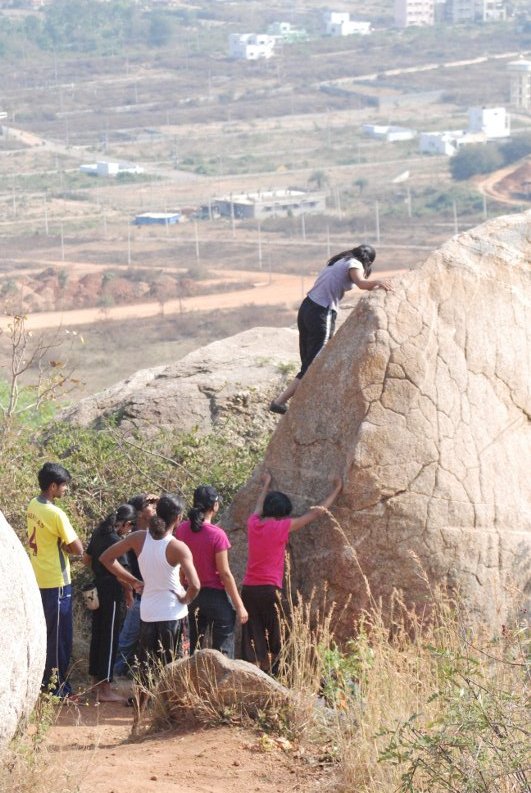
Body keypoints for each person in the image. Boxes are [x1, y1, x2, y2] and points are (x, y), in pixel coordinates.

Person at [270, 244, 393, 414]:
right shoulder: (355, 264)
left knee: (308, 359)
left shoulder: (340, 260)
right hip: (321, 312)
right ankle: (280, 401)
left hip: (307, 307)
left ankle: (301, 397)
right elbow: (362, 283)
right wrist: (378, 282)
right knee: (314, 363)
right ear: (368, 261)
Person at [241, 470, 342, 673]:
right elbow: (316, 513)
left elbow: (258, 507)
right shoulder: (282, 527)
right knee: (276, 634)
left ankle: (258, 672)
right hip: (270, 589)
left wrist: (266, 485)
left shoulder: (253, 525)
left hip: (249, 589)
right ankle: (276, 674)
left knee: (255, 634)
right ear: (283, 512)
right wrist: (336, 490)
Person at [100, 494, 200, 676]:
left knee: (146, 669)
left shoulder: (138, 538)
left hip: (148, 613)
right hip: (173, 614)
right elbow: (195, 585)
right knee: (175, 669)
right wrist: (185, 599)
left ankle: (141, 702)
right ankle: (169, 704)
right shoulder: (178, 547)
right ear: (178, 519)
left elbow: (106, 558)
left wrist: (133, 581)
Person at [27, 462, 83, 698]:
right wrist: (65, 545)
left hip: (38, 578)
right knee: (60, 638)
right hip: (57, 582)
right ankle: (57, 688)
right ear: (52, 486)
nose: (66, 489)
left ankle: (43, 684)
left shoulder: (33, 504)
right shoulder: (56, 513)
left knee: (45, 634)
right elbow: (78, 548)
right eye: (63, 485)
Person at [175, 485, 248, 658]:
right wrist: (239, 606)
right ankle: (220, 681)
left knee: (192, 647)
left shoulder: (182, 530)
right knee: (222, 650)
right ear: (215, 506)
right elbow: (224, 573)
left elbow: (180, 566)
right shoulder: (217, 535)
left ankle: (192, 682)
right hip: (215, 596)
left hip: (191, 594)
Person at [83, 503, 136, 702]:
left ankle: (96, 683)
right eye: (130, 527)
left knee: (98, 635)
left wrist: (99, 571)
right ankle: (105, 689)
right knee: (110, 638)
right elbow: (122, 574)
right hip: (112, 592)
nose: (130, 531)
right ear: (125, 524)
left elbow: (86, 560)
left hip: (97, 588)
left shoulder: (99, 533)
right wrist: (129, 593)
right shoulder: (116, 541)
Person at [113, 493, 159, 677]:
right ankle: (113, 676)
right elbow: (120, 567)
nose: (154, 509)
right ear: (140, 513)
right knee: (127, 641)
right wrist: (129, 592)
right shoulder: (132, 538)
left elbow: (172, 514)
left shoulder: (154, 533)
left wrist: (159, 501)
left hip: (151, 595)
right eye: (150, 506)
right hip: (139, 596)